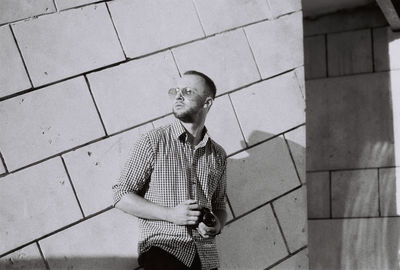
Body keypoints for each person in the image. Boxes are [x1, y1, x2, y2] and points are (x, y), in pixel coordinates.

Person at [112, 70, 228, 270]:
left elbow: (219, 205)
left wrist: (216, 225)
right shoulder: (153, 141)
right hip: (164, 253)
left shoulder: (218, 154)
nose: (179, 95)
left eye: (188, 91)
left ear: (207, 103)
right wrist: (170, 214)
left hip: (206, 259)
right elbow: (120, 195)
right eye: (176, 90)